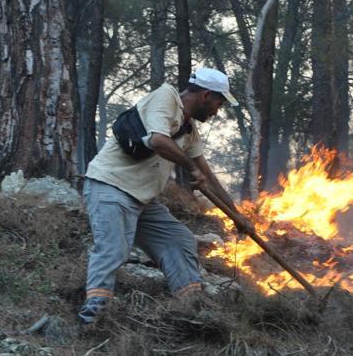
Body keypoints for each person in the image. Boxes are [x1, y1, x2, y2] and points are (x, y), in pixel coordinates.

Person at [78, 67, 248, 324]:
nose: (217, 111)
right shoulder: (165, 97)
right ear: (205, 95)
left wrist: (237, 216)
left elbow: (208, 176)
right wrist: (189, 168)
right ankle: (94, 315)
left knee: (179, 240)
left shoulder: (189, 131)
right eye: (218, 103)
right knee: (114, 249)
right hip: (111, 186)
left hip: (143, 200)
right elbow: (158, 140)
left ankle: (191, 308)